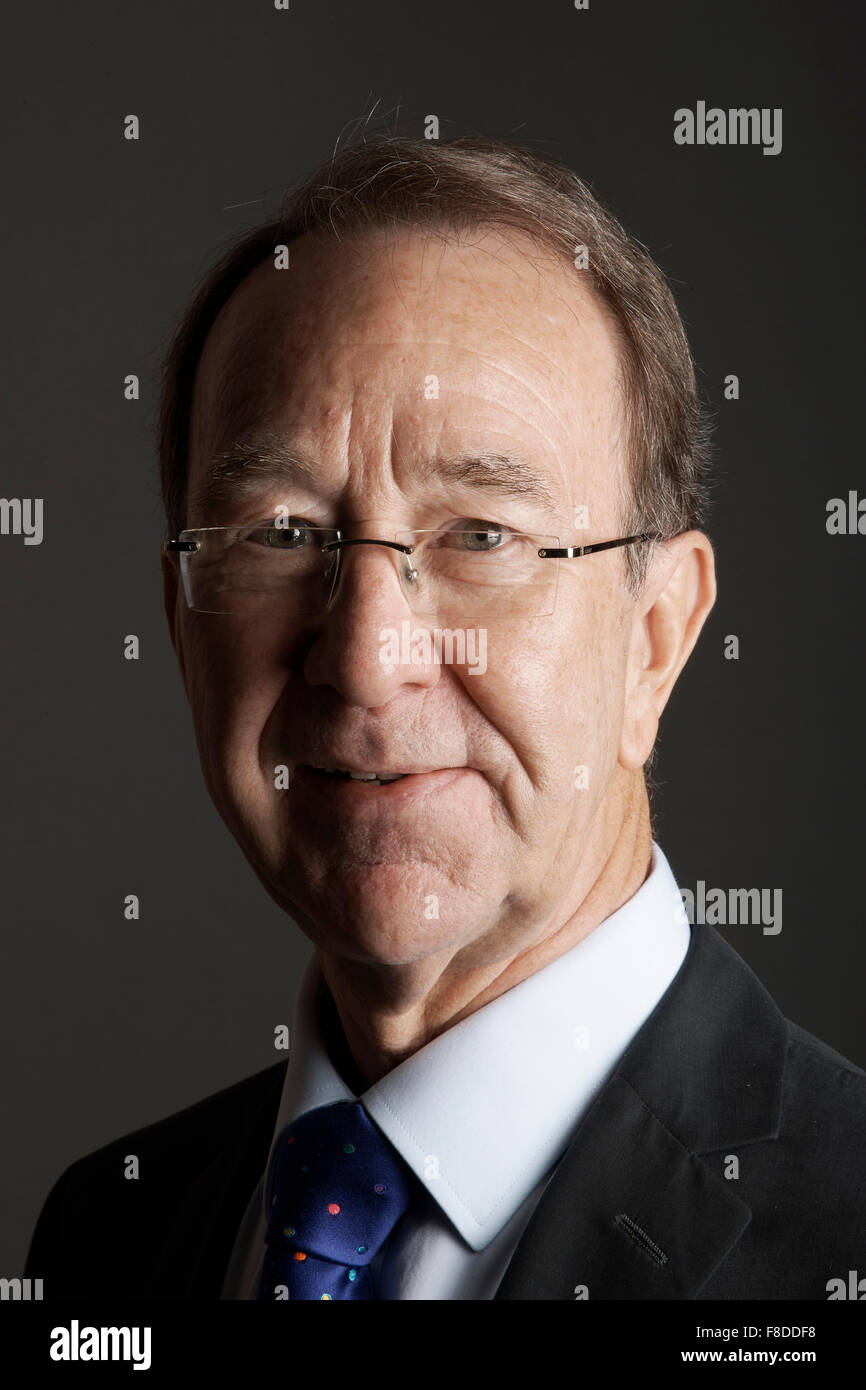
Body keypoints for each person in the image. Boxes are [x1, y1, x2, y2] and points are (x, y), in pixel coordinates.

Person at [25, 136, 866, 1300]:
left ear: (655, 640)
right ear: (181, 630)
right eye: (280, 534)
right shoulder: (104, 1237)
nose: (368, 660)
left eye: (480, 536)